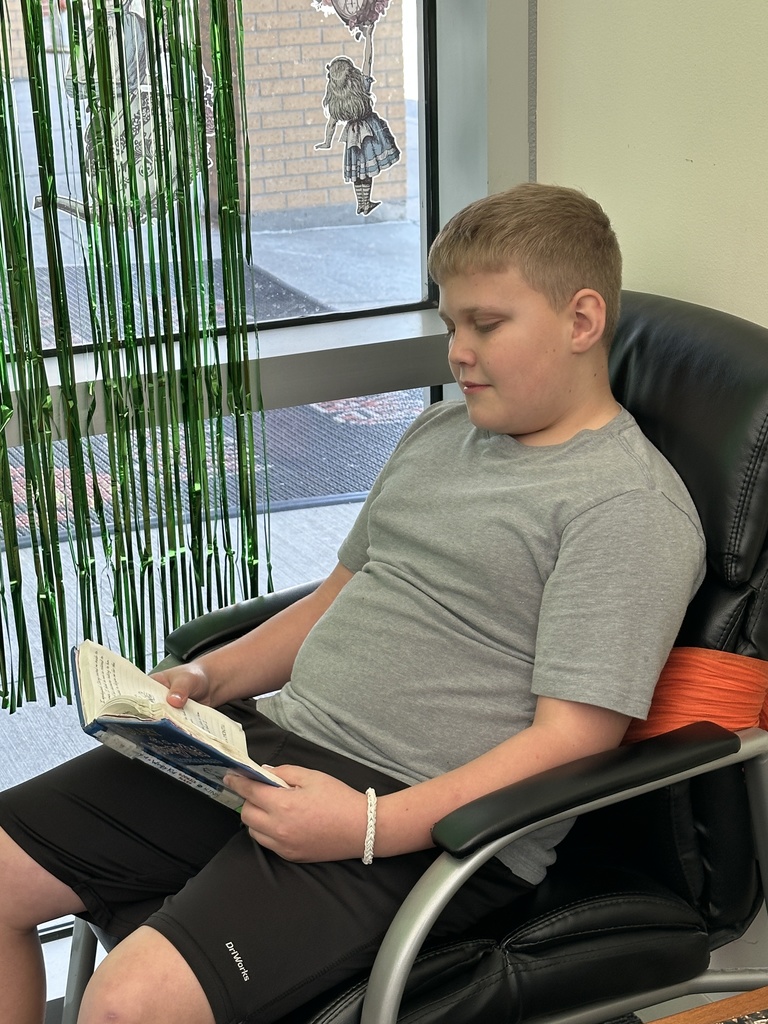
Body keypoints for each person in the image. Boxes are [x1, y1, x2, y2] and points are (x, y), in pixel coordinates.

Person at [0, 183, 705, 1024]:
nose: (459, 354)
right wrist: (203, 678)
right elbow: (337, 597)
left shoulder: (625, 509)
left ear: (582, 320)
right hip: (272, 747)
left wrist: (368, 826)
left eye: (487, 324)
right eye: (452, 326)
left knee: (128, 1004)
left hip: (427, 819)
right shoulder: (441, 434)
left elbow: (575, 738)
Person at [314, 21, 401, 215]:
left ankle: (362, 202)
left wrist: (327, 142)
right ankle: (365, 202)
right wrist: (369, 36)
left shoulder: (336, 100)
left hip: (353, 136)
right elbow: (368, 60)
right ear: (351, 73)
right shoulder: (361, 86)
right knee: (366, 169)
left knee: (358, 171)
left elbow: (332, 123)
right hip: (369, 130)